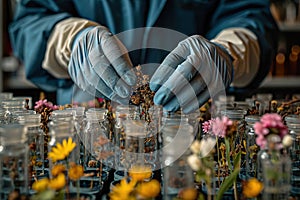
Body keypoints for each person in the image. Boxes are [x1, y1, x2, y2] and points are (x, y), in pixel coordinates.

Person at [9, 0, 278, 113]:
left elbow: (251, 17)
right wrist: (70, 39)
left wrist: (228, 53)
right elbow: (29, 23)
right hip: (89, 130)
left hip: (192, 131)